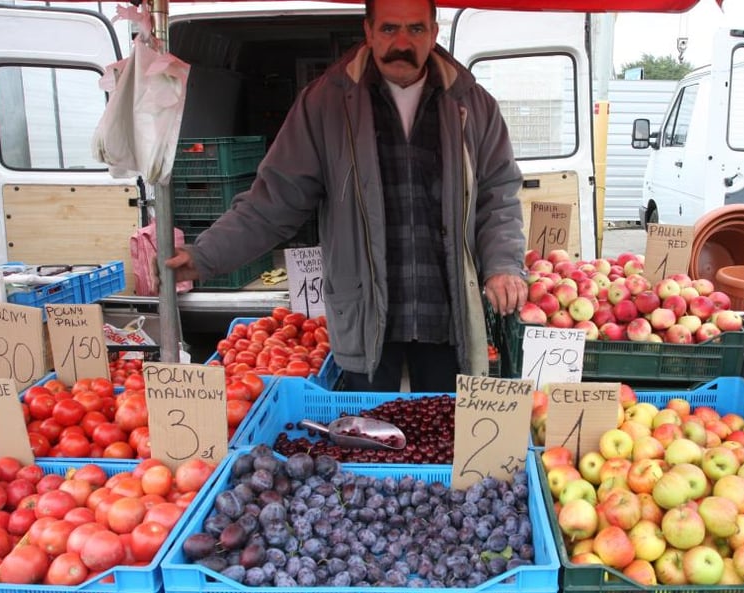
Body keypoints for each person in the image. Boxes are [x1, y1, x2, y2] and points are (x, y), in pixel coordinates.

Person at [166, 0, 528, 392]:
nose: (402, 42)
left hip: (447, 307)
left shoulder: (472, 104)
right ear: (368, 32)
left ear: (434, 32)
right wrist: (206, 255)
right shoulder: (326, 103)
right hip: (366, 313)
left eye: (416, 29)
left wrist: (502, 263)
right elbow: (275, 199)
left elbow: (498, 193)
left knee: (444, 435)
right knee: (367, 435)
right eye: (389, 29)